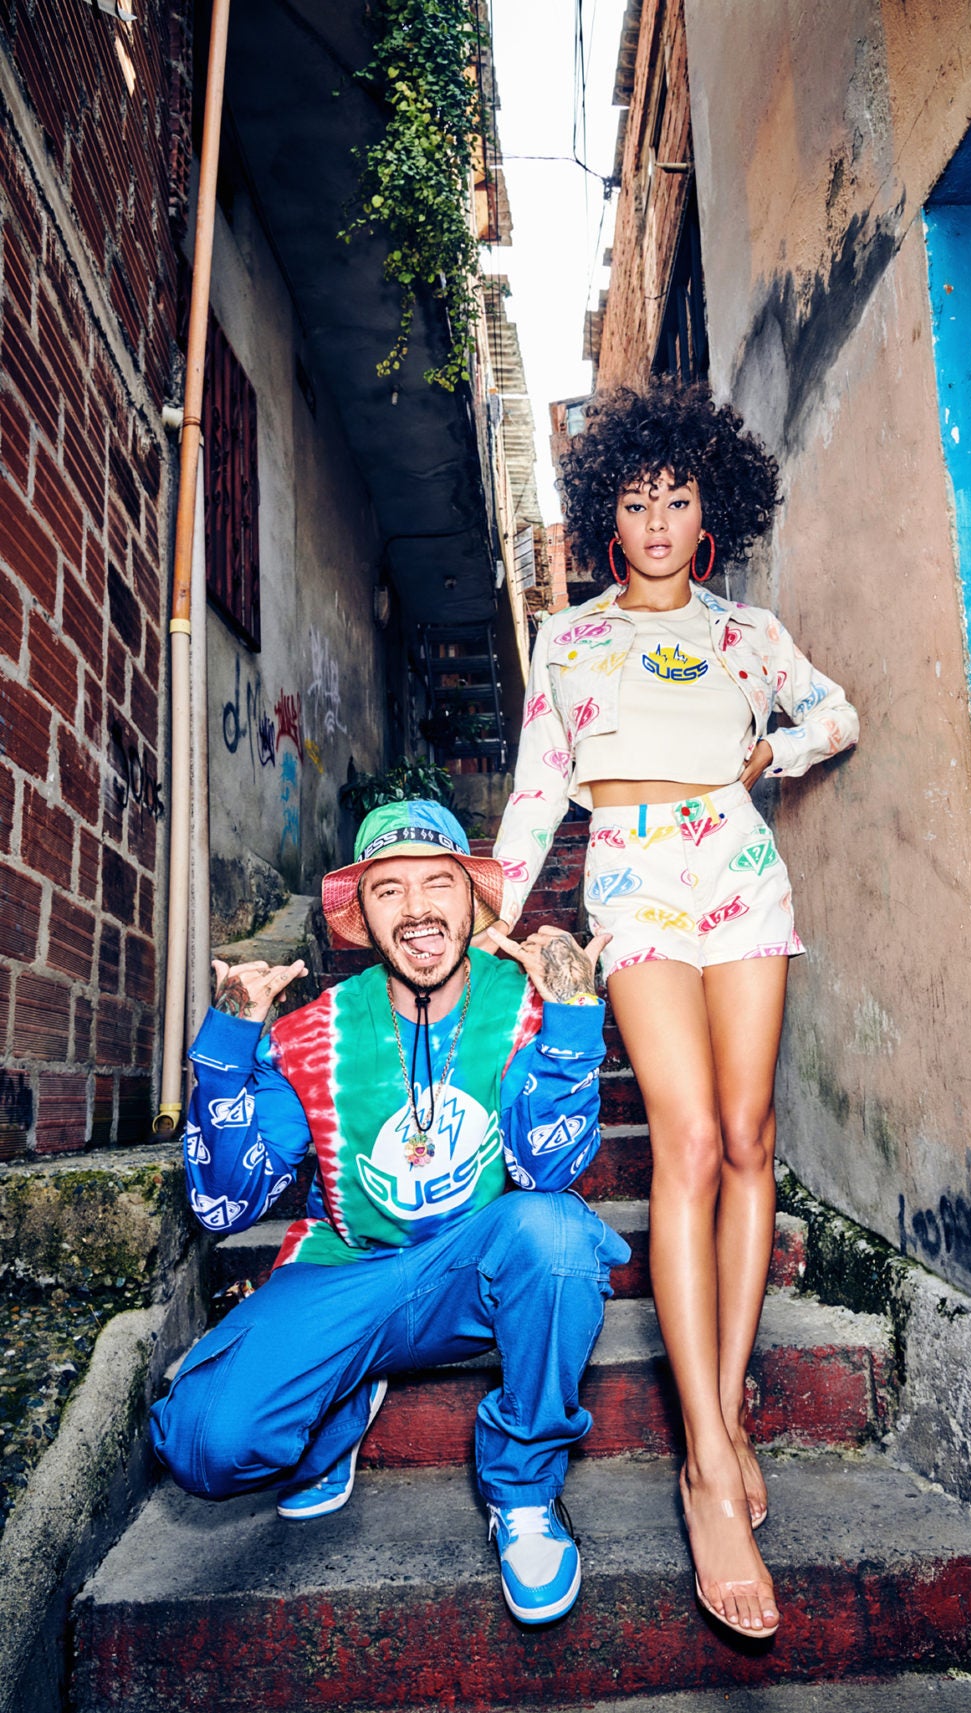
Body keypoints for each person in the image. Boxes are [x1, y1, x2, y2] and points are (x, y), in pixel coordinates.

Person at [480, 380, 858, 1639]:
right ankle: (703, 1458)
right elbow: (539, 788)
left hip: (737, 859)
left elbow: (836, 712)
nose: (656, 521)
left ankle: (727, 1404)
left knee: (749, 1137)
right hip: (633, 870)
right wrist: (495, 904)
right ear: (609, 515)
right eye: (635, 500)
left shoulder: (750, 633)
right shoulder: (569, 638)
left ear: (707, 513)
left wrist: (772, 754)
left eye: (677, 499)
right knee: (686, 1139)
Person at [150, 799, 628, 1627]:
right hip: (348, 1270)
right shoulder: (313, 1035)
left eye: (439, 883)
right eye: (388, 890)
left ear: (472, 902)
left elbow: (546, 1169)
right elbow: (226, 1205)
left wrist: (572, 1023)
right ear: (363, 918)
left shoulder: (523, 1008)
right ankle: (339, 1404)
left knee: (555, 1233)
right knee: (206, 1439)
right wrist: (227, 1052)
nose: (416, 909)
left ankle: (521, 1488)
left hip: (472, 1272)